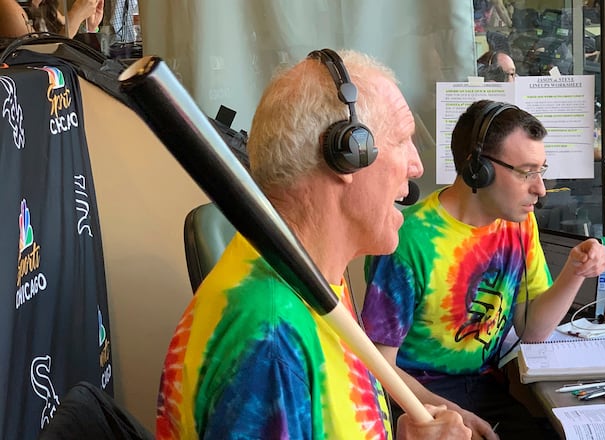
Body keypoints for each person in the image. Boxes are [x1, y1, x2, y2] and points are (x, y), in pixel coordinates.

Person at [155, 48, 471, 440]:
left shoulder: (314, 277)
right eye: (403, 140)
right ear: (349, 155)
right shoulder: (271, 340)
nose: (416, 165)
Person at [361, 100, 605, 439]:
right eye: (526, 172)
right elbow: (378, 366)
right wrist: (449, 414)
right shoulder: (409, 239)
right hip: (417, 401)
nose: (540, 189)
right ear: (478, 168)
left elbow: (531, 331)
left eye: (541, 170)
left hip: (484, 389)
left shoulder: (519, 224)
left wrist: (575, 271)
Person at [28, 0, 103, 38]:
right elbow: (42, 58)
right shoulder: (18, 11)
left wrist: (91, 27)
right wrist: (77, 15)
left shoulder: (47, 9)